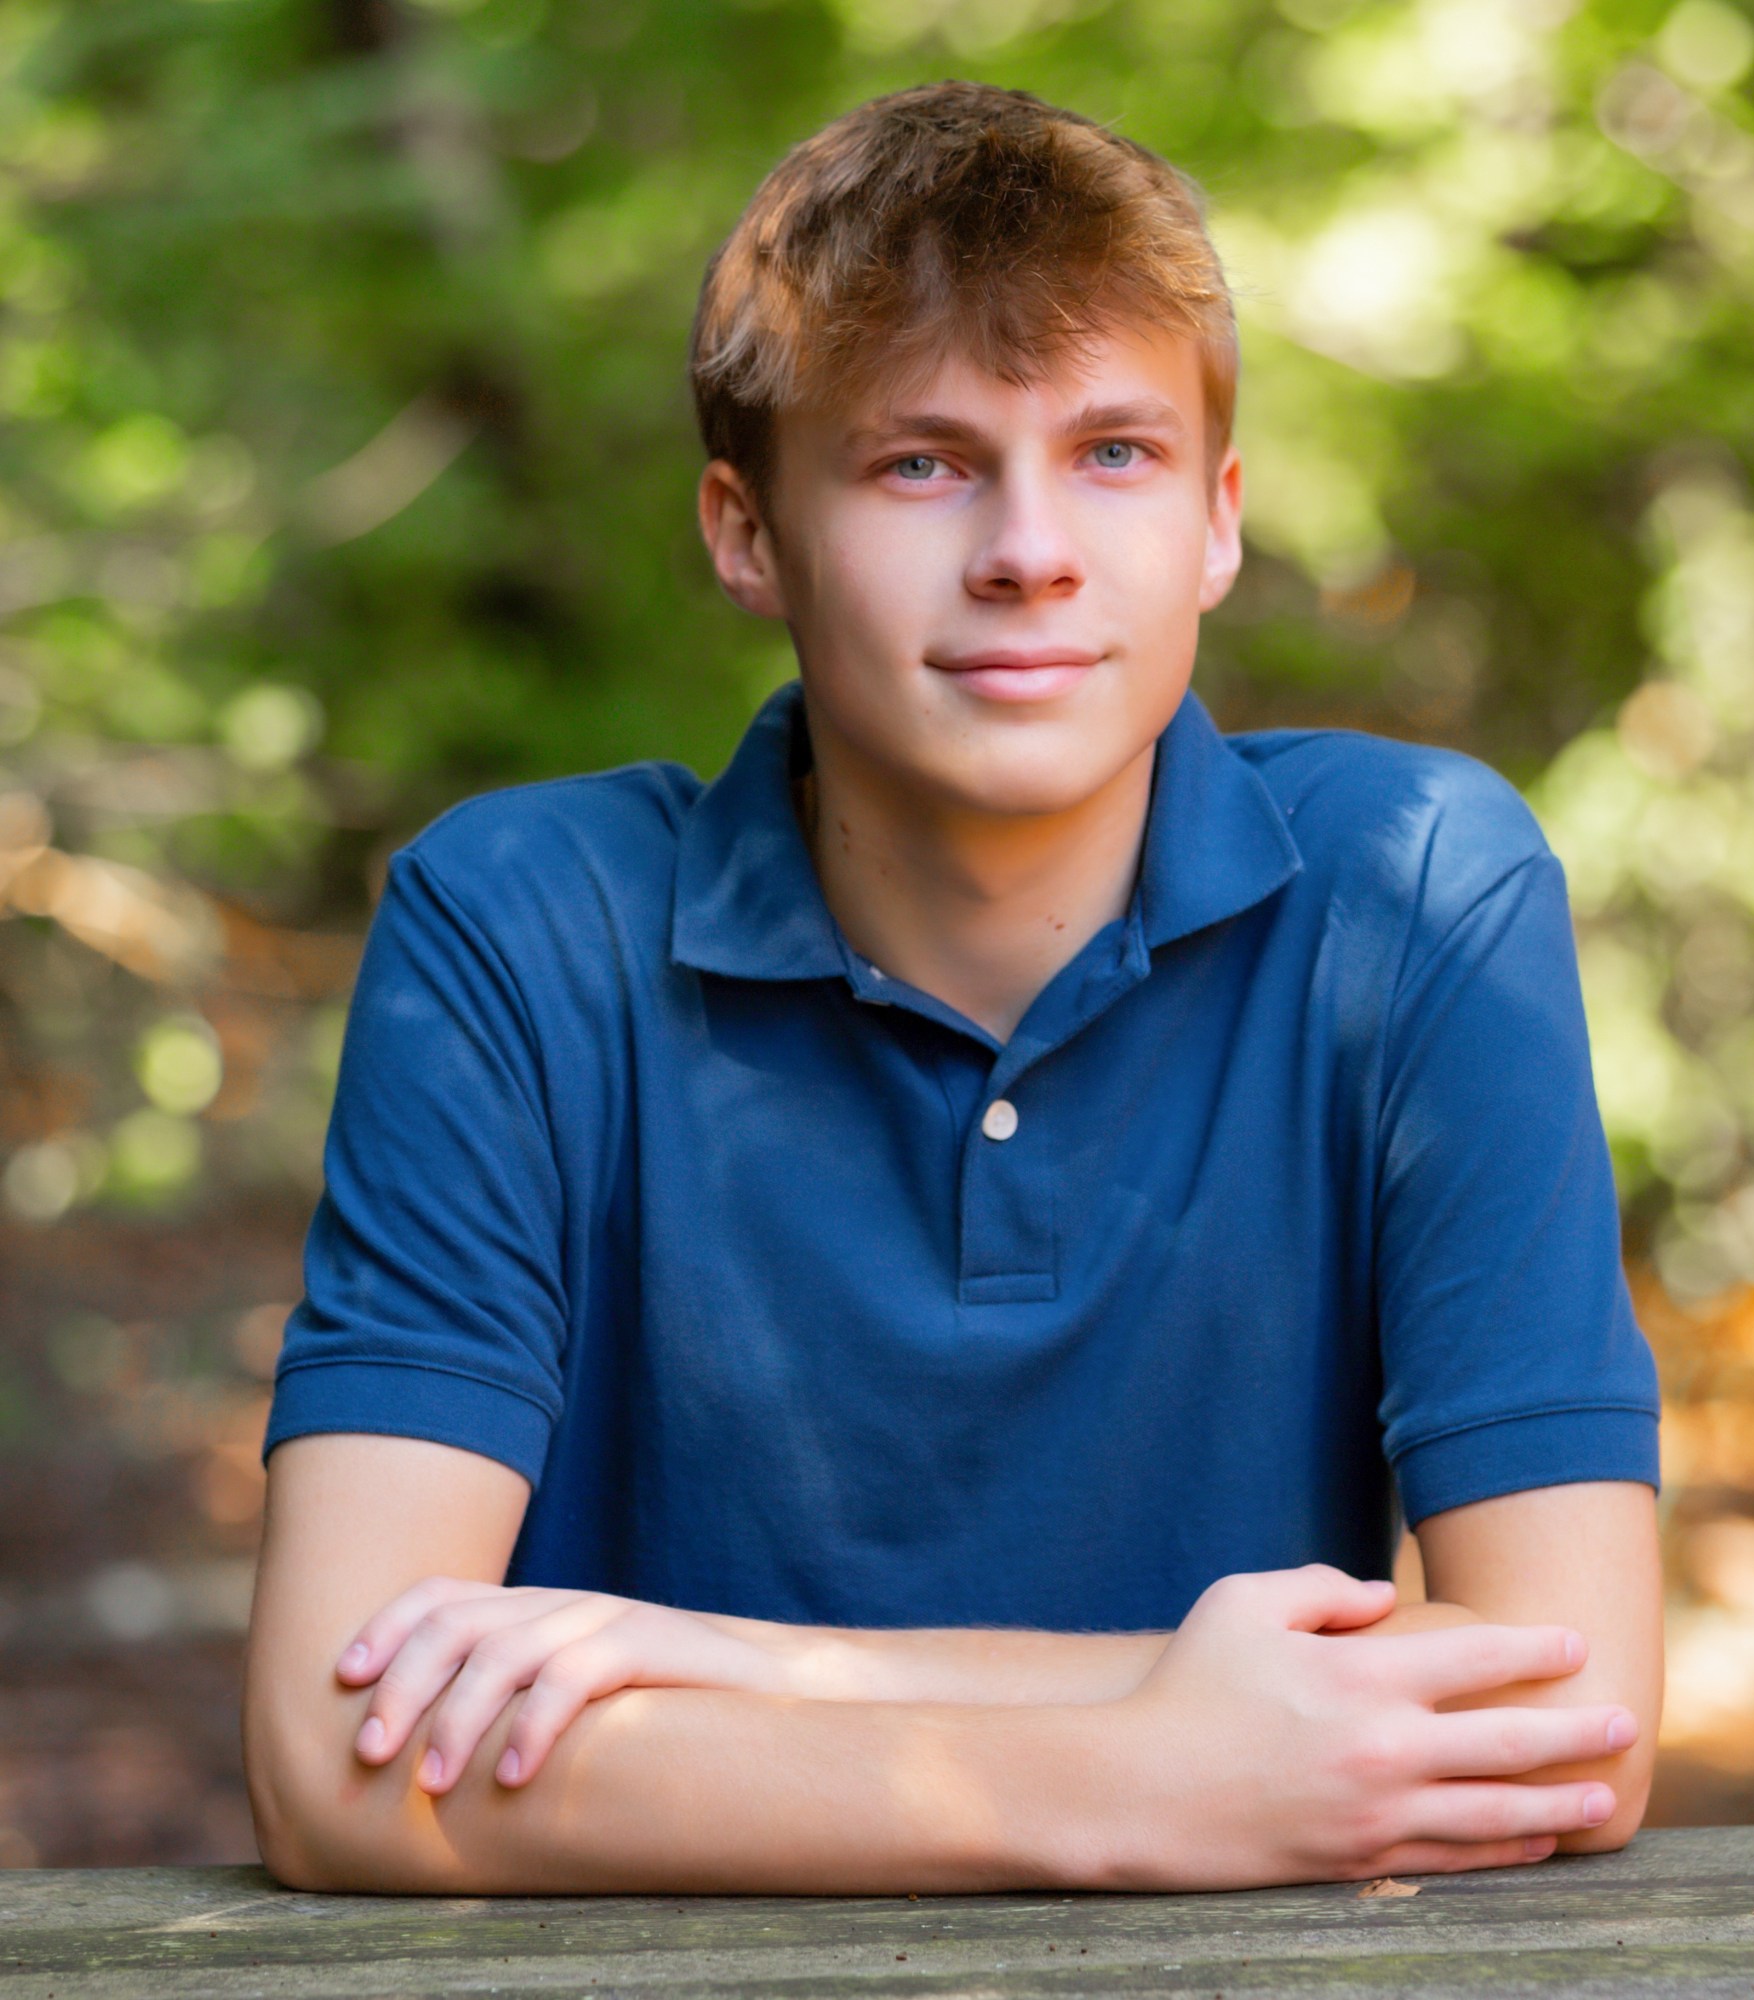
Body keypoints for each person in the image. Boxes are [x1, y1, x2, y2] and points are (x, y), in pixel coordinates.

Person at [241, 80, 1662, 1896]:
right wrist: (1145, 1782)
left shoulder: (1418, 893)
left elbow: (1572, 1721)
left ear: (1219, 522)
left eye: (1116, 454)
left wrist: (746, 1663)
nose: (1029, 548)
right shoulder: (519, 931)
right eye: (922, 461)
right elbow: (326, 1758)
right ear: (747, 533)